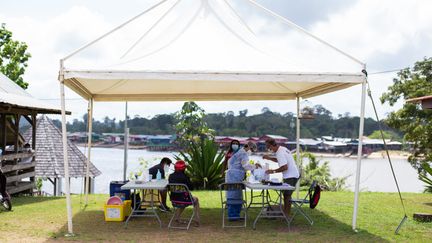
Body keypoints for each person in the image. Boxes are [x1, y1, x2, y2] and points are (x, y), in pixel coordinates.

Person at [263, 138, 299, 216]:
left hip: (291, 175)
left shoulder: (279, 153)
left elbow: (285, 167)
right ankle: (285, 213)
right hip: (292, 174)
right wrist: (269, 158)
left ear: (272, 146)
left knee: (287, 195)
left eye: (269, 147)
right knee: (286, 194)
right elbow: (280, 160)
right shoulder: (282, 149)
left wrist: (272, 171)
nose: (269, 149)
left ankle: (287, 214)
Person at [225, 141, 257, 220]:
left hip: (232, 176)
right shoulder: (243, 154)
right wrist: (255, 166)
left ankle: (235, 215)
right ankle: (233, 216)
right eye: (252, 150)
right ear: (249, 147)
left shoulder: (239, 152)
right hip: (235, 177)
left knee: (236, 195)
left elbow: (231, 163)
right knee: (234, 196)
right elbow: (246, 166)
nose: (251, 152)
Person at [168, 160, 200, 226]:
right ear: (184, 168)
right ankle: (197, 219)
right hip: (184, 199)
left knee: (182, 200)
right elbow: (191, 188)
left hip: (174, 200)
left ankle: (177, 217)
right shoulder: (185, 177)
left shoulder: (171, 176)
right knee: (195, 200)